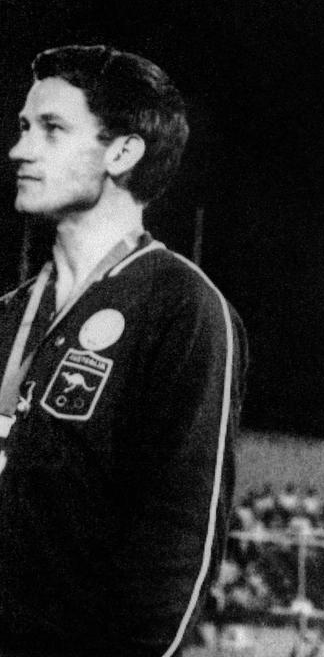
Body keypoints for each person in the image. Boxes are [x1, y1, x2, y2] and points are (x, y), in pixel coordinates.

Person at [0, 45, 247, 655]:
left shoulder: (184, 308)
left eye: (52, 129)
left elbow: (182, 541)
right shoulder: (9, 315)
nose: (20, 150)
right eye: (24, 127)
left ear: (123, 151)